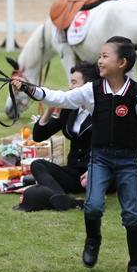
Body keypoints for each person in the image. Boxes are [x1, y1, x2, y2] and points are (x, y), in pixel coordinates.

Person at [12, 36, 137, 272]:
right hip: (100, 160)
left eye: (105, 56)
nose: (100, 60)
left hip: (128, 162)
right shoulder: (91, 91)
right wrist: (29, 88)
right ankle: (93, 240)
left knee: (131, 215)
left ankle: (136, 267)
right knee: (93, 206)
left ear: (122, 62)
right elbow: (59, 98)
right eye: (100, 55)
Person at [29, 61, 100, 211]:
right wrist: (49, 110)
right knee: (37, 165)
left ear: (88, 87)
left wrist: (93, 170)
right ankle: (62, 198)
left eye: (74, 83)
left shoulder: (102, 111)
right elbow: (38, 136)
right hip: (75, 172)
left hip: (98, 171)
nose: (70, 87)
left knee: (95, 179)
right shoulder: (70, 109)